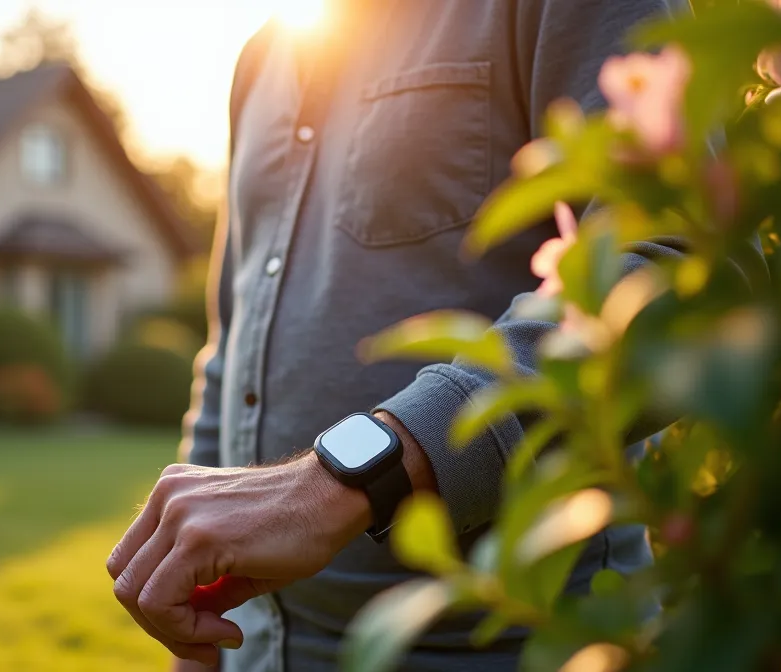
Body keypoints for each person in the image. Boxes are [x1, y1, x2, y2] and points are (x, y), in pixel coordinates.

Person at [107, 0, 689, 670]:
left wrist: (343, 479)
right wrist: (191, 618)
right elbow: (235, 344)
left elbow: (672, 274)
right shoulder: (261, 60)